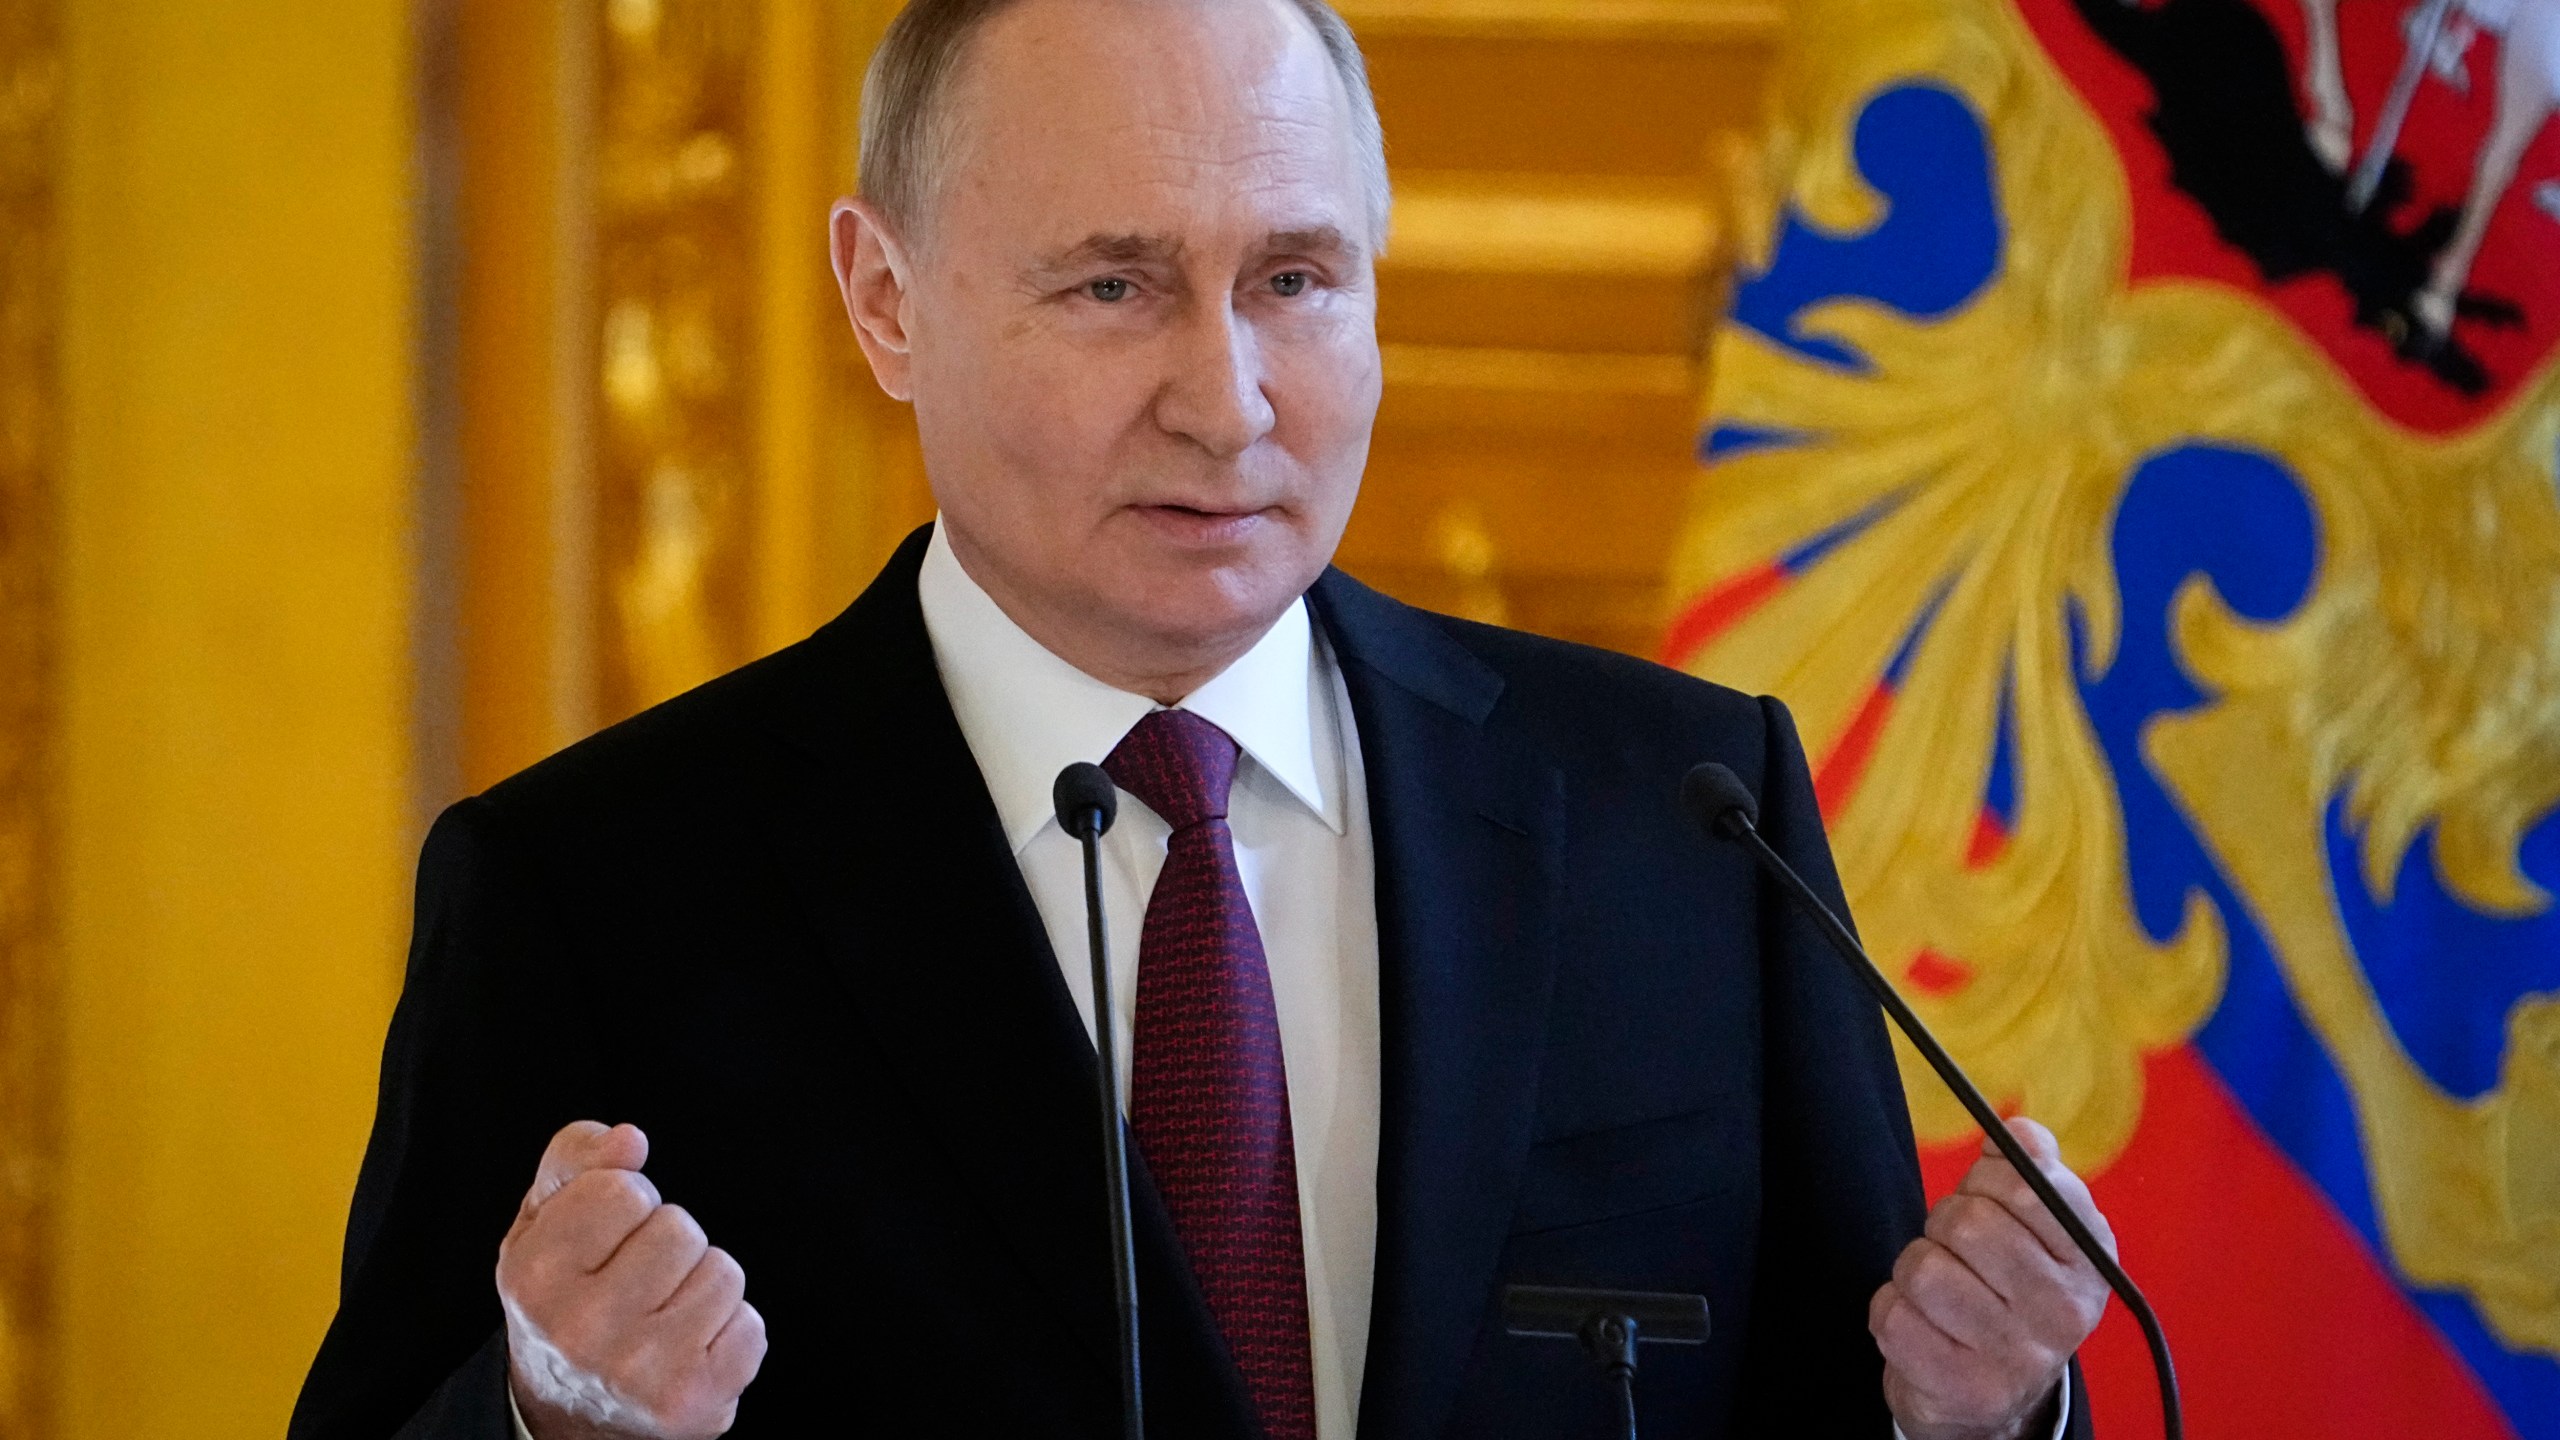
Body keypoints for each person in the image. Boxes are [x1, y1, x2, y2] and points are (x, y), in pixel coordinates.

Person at [289, 0, 2119, 1435]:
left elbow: (1821, 1402)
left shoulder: (1687, 814)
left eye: (1294, 282)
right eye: (1116, 286)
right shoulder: (595, 893)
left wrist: (1974, 1419)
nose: (1228, 402)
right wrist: (552, 1417)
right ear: (886, 301)